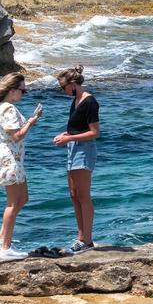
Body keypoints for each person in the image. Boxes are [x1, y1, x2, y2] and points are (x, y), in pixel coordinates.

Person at [0, 73, 42, 261]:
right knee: (12, 203)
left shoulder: (4, 107)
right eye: (22, 90)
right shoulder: (8, 108)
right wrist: (31, 122)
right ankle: (6, 248)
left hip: (13, 158)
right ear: (12, 91)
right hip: (9, 158)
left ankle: (1, 238)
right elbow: (16, 135)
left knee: (23, 198)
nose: (24, 94)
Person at [51, 65, 98, 254]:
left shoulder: (89, 101)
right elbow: (78, 127)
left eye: (63, 87)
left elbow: (95, 132)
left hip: (83, 150)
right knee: (74, 195)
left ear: (72, 84)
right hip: (73, 148)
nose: (63, 91)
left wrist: (69, 138)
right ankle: (81, 237)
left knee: (83, 195)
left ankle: (87, 239)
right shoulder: (76, 100)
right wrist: (67, 134)